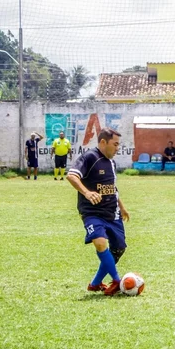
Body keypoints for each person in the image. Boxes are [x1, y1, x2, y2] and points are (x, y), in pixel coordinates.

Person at [66, 127, 130, 296]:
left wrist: (121, 206)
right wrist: (87, 192)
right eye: (115, 144)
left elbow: (112, 187)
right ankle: (117, 280)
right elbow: (72, 175)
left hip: (112, 212)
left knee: (119, 249)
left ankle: (95, 283)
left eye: (119, 145)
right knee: (100, 243)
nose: (118, 148)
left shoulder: (112, 163)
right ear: (103, 142)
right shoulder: (90, 157)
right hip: (91, 212)